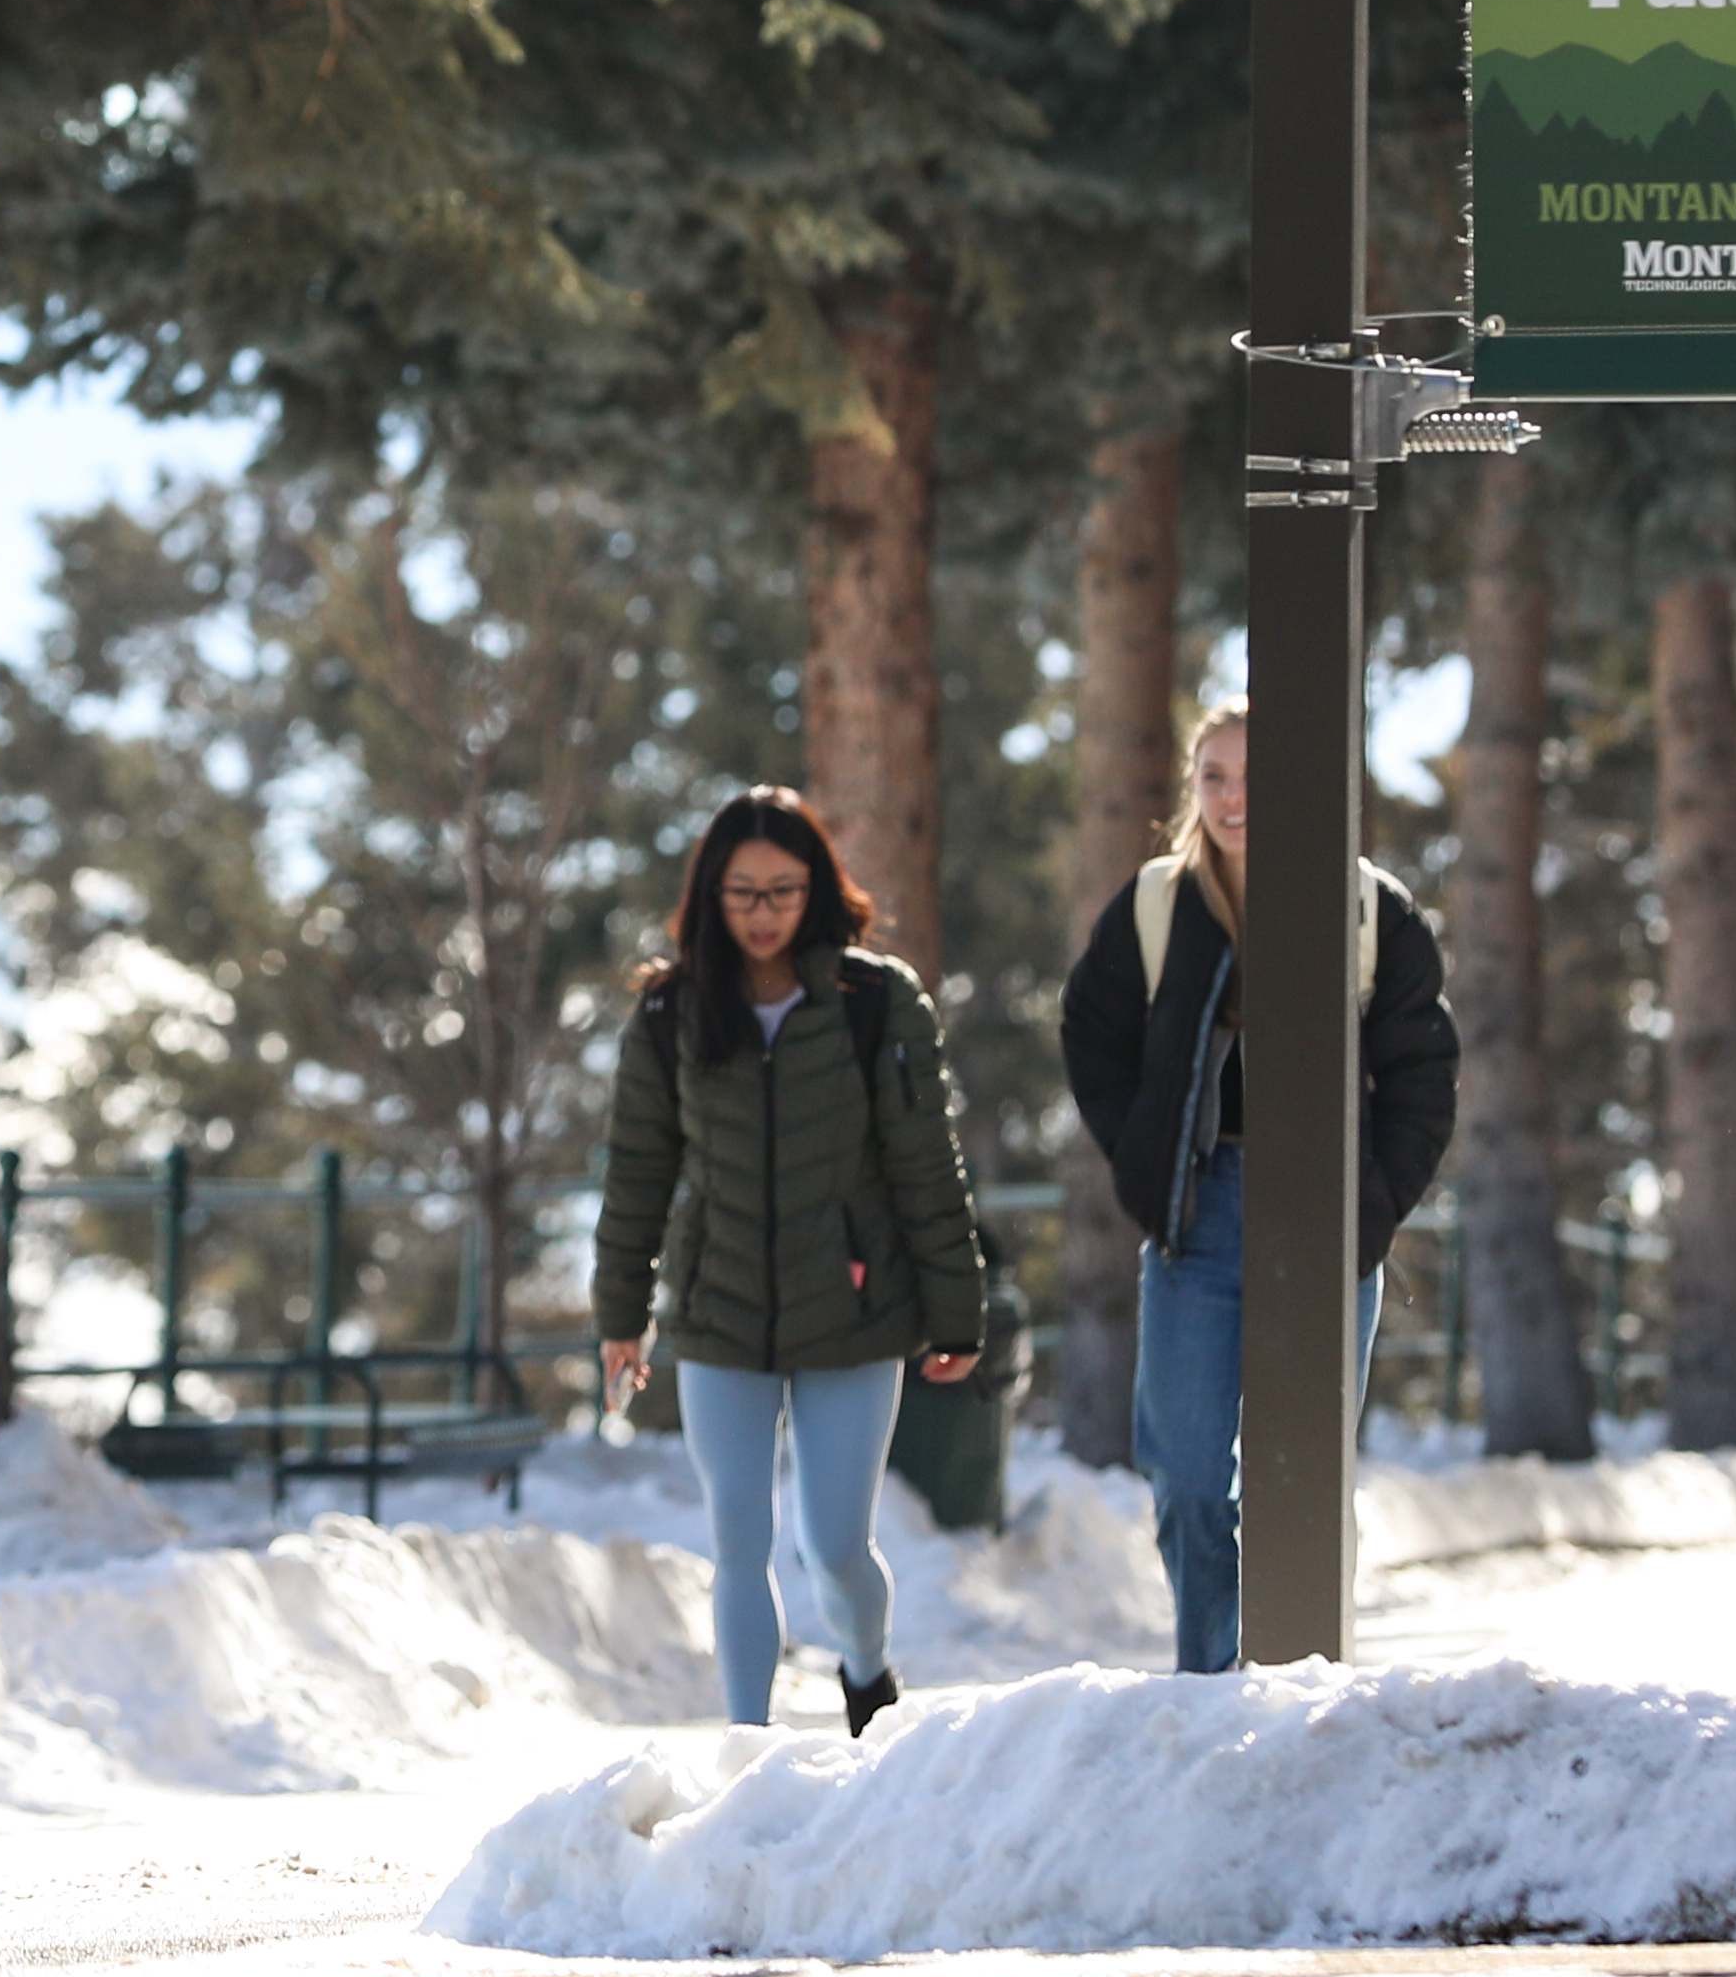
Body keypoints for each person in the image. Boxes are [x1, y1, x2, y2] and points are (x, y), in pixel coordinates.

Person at [1056, 696, 1458, 1676]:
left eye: (1256, 776)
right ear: (1194, 790)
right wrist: (1146, 1162)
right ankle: (1210, 1678)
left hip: (1326, 1218)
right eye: (1215, 778)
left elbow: (1423, 1071)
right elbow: (1090, 1033)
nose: (1236, 798)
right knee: (1188, 1472)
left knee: (1307, 1475)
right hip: (1198, 1216)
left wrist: (1373, 1201)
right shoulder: (1157, 905)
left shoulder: (1369, 909)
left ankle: (1304, 1678)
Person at [592, 791, 988, 1734]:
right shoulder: (667, 1014)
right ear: (710, 896)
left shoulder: (876, 1002)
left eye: (783, 890)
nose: (763, 912)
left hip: (854, 1315)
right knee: (738, 1539)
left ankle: (866, 1672)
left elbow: (926, 1164)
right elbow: (638, 1173)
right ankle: (746, 1746)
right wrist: (621, 1315)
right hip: (719, 1313)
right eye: (742, 892)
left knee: (836, 1547)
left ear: (817, 892)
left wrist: (958, 1310)